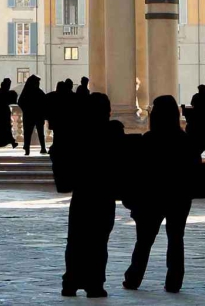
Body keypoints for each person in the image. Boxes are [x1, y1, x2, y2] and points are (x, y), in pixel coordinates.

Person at [123, 95, 200, 294]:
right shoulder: (186, 141)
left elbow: (138, 171)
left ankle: (134, 277)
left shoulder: (148, 140)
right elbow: (193, 170)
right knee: (176, 238)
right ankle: (174, 281)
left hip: (152, 196)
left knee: (144, 240)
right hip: (179, 196)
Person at [61, 92, 123, 298]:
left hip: (82, 192)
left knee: (77, 239)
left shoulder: (77, 133)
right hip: (103, 193)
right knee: (98, 240)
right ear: (107, 111)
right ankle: (94, 283)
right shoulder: (112, 132)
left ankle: (71, 281)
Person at [19, 76, 48, 155]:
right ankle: (43, 148)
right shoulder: (39, 92)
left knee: (27, 133)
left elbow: (20, 102)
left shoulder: (25, 92)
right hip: (38, 115)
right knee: (40, 132)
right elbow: (45, 102)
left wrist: (26, 110)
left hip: (28, 115)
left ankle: (27, 148)